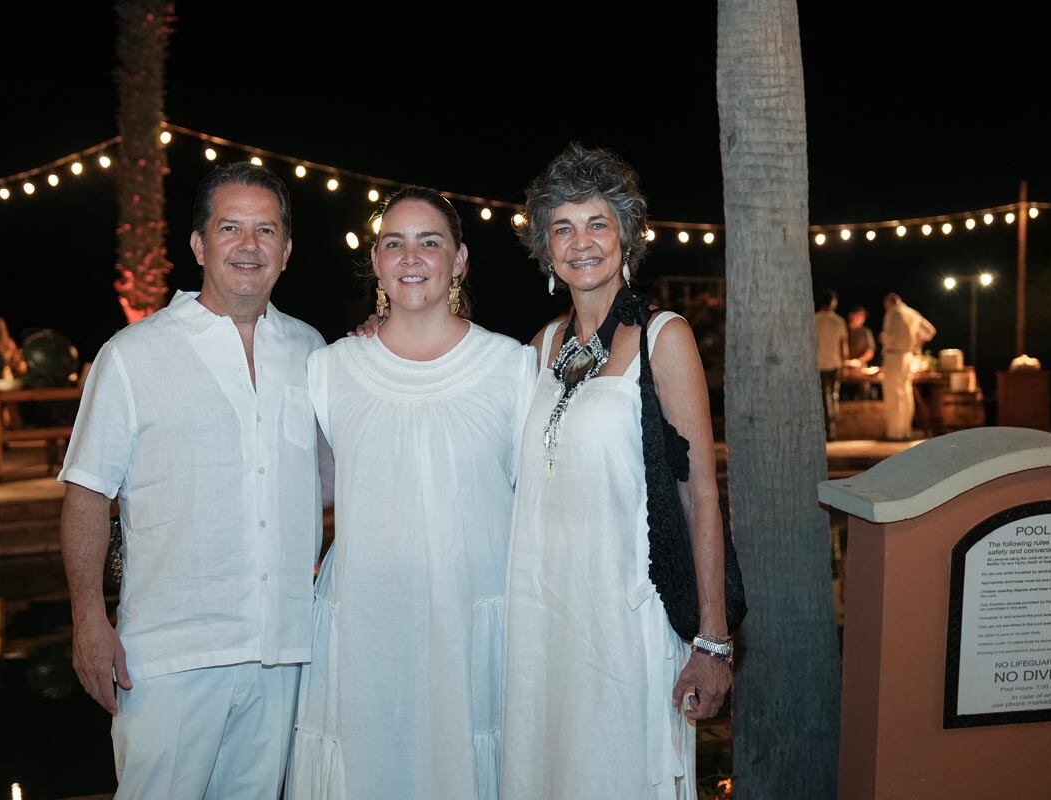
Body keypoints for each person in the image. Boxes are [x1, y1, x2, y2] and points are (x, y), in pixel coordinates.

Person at [59, 162, 329, 799]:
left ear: (286, 252)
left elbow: (341, 478)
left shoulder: (314, 352)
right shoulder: (134, 354)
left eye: (266, 230)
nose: (249, 244)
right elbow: (87, 492)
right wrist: (87, 619)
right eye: (229, 227)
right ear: (199, 244)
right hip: (168, 657)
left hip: (283, 648)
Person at [289, 187, 535, 800]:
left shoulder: (511, 367)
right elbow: (306, 490)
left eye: (431, 242)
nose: (412, 257)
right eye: (394, 243)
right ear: (374, 262)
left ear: (459, 260)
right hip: (364, 625)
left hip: (474, 622)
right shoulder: (331, 367)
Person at [502, 144, 731, 800]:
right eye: (563, 228)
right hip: (541, 617)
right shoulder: (542, 346)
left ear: (627, 236)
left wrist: (713, 643)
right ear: (546, 248)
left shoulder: (665, 338)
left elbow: (701, 496)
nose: (581, 243)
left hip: (623, 620)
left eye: (597, 224)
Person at [880, 292, 936, 440]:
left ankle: (894, 433)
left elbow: (888, 336)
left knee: (894, 394)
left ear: (889, 303)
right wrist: (916, 341)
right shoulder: (912, 313)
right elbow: (930, 331)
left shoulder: (893, 312)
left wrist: (883, 337)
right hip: (908, 356)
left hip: (894, 356)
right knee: (906, 393)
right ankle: (906, 430)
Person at [815, 289, 848, 439]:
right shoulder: (839, 321)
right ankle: (831, 429)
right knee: (834, 396)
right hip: (835, 363)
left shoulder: (814, 320)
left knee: (823, 397)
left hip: (818, 363)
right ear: (833, 303)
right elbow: (843, 346)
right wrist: (845, 364)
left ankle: (826, 428)